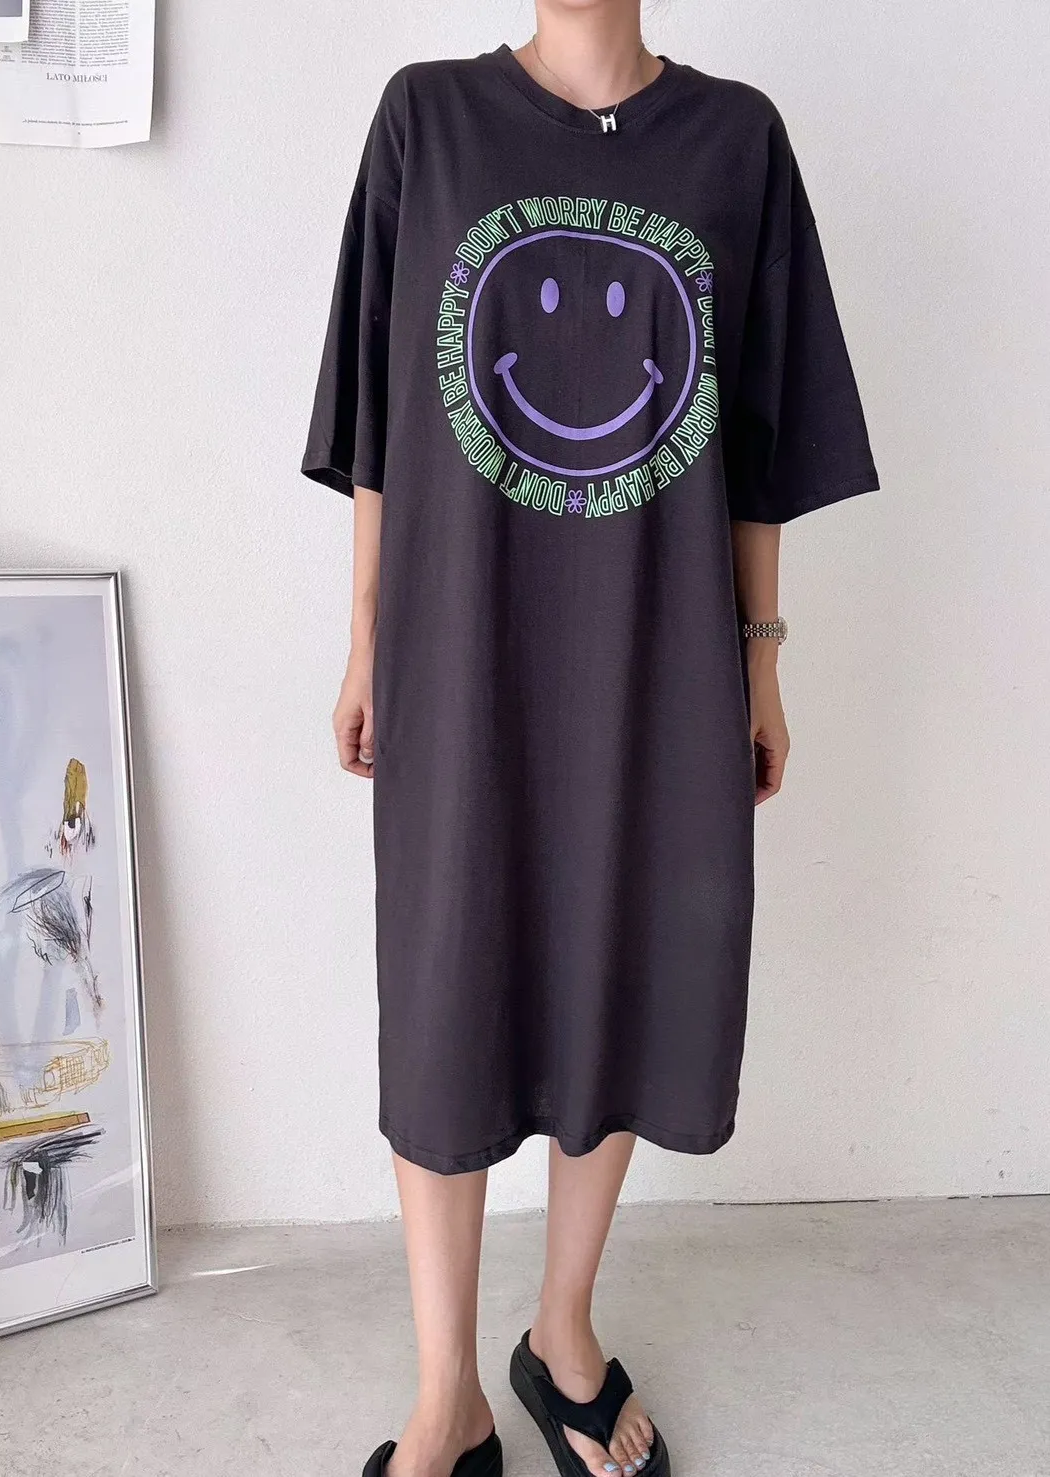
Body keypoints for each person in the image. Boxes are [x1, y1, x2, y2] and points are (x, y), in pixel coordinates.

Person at [302, 5, 879, 1477]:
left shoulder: (736, 140)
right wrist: (366, 639)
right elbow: (379, 417)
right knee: (445, 992)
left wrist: (761, 658)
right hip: (460, 643)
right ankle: (446, 1394)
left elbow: (757, 439)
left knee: (616, 971)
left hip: (661, 651)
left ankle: (562, 1331)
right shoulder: (426, 119)